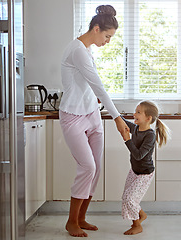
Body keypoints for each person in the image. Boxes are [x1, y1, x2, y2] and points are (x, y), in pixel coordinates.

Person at [59, 5, 128, 238]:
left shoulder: (87, 50)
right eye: (107, 36)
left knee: (95, 169)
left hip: (92, 114)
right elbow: (97, 83)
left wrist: (94, 99)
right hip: (73, 116)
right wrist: (117, 118)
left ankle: (81, 218)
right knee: (87, 166)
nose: (108, 41)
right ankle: (71, 222)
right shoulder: (77, 49)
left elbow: (89, 86)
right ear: (96, 28)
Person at [120, 100, 170, 235]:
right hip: (135, 171)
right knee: (126, 197)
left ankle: (137, 225)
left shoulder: (150, 135)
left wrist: (127, 139)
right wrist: (115, 115)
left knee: (130, 199)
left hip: (144, 174)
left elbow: (139, 155)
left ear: (148, 118)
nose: (134, 114)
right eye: (135, 111)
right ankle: (142, 215)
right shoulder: (136, 128)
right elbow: (123, 122)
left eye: (138, 112)